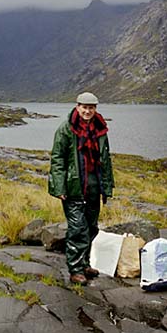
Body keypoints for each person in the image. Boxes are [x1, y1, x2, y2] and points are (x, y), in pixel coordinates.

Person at [48, 92, 114, 285]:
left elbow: (106, 160)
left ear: (95, 109)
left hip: (94, 186)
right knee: (77, 229)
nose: (87, 111)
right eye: (84, 107)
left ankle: (84, 264)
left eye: (91, 108)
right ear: (77, 107)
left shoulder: (100, 129)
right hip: (74, 187)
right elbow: (57, 159)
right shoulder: (66, 129)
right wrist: (59, 186)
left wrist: (107, 187)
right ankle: (75, 270)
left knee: (91, 228)